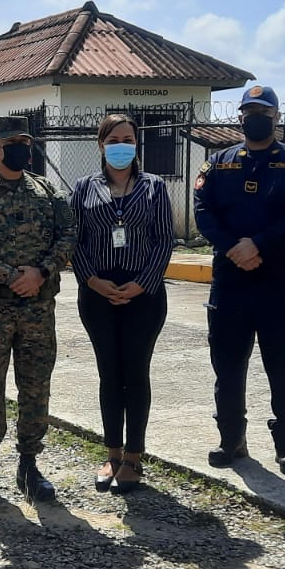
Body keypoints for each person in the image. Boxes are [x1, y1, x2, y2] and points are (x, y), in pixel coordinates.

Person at [193, 85, 285, 477]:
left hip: (276, 281)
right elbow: (203, 210)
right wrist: (234, 247)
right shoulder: (218, 163)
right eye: (249, 111)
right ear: (240, 118)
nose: (256, 117)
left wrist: (257, 244)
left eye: (263, 111)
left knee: (283, 368)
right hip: (230, 281)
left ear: (276, 117)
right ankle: (231, 439)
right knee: (228, 366)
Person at [0, 116, 77, 506]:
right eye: (12, 141)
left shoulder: (47, 191)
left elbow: (68, 235)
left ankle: (29, 464)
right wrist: (7, 274)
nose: (21, 147)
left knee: (35, 387)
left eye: (25, 141)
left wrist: (40, 272)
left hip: (37, 308)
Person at [69, 114, 173, 495]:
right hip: (97, 295)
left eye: (128, 138)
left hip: (143, 296)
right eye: (113, 139)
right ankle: (111, 453)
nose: (121, 145)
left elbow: (164, 240)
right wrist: (92, 280)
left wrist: (140, 284)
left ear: (136, 144)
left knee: (136, 373)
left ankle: (134, 457)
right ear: (101, 145)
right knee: (109, 374)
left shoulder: (154, 187)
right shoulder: (83, 188)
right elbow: (73, 240)